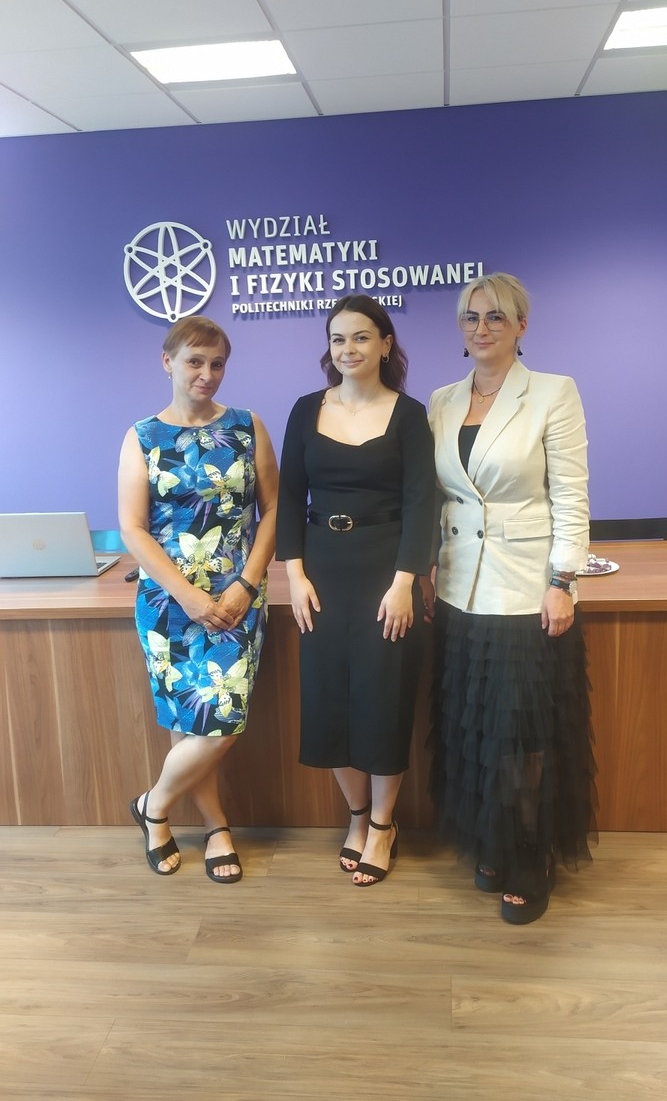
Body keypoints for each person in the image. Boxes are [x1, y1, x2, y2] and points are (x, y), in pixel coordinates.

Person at [424, 272, 597, 924]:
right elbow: (436, 497)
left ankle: (531, 854)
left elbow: (571, 495)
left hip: (527, 592)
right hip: (458, 588)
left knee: (524, 732)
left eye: (495, 316)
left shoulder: (552, 392)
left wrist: (563, 581)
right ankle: (492, 842)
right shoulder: (441, 400)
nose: (481, 328)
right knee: (476, 730)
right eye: (471, 318)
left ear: (521, 325)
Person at [276, 294, 436, 887]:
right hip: (322, 572)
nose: (349, 349)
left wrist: (405, 581)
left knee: (382, 699)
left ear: (386, 344)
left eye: (362, 337)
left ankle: (385, 826)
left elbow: (422, 502)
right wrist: (294, 575)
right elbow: (288, 497)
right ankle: (358, 814)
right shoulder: (304, 410)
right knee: (330, 701)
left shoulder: (409, 414)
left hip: (386, 572)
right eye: (338, 338)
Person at [118, 315, 278, 883]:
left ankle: (153, 805)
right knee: (190, 724)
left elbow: (272, 511)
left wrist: (246, 584)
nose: (206, 373)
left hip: (237, 600)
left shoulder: (246, 426)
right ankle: (215, 827)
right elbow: (133, 528)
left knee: (221, 720)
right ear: (168, 362)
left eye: (216, 364)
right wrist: (186, 595)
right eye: (194, 361)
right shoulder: (142, 436)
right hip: (168, 603)